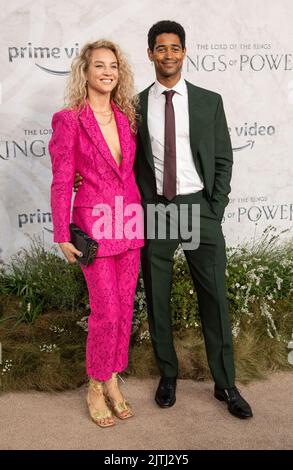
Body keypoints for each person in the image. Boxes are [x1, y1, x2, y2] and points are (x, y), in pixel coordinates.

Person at [75, 21, 253, 420]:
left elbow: (223, 159)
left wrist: (214, 209)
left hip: (198, 208)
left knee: (214, 298)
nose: (168, 54)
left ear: (184, 52)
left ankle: (225, 383)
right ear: (151, 53)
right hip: (155, 210)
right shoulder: (133, 106)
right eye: (161, 48)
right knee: (157, 298)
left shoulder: (209, 101)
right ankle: (167, 374)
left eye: (175, 48)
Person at [49, 39, 144, 428]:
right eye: (100, 66)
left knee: (123, 308)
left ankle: (113, 379)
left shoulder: (126, 117)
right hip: (95, 227)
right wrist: (61, 233)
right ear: (85, 72)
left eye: (114, 67)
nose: (108, 72)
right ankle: (95, 383)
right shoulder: (69, 119)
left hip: (130, 223)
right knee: (105, 310)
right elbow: (60, 179)